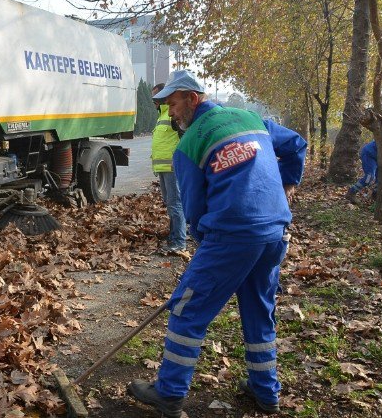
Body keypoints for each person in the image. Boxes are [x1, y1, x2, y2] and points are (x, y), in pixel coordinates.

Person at [127, 70, 307, 417]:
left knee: (186, 310)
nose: (171, 113)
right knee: (259, 309)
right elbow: (297, 144)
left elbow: (194, 212)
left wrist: (207, 248)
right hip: (275, 233)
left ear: (193, 99)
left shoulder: (189, 145)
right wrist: (287, 186)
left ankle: (169, 392)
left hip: (232, 236)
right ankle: (266, 391)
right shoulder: (253, 119)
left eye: (174, 104)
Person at [151, 83, 187, 256]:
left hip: (172, 167)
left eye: (156, 97)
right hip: (163, 167)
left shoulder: (173, 115)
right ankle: (174, 237)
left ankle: (179, 242)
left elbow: (183, 138)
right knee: (170, 203)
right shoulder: (162, 115)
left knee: (175, 204)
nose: (153, 101)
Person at [345, 136, 382, 204]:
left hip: (379, 158)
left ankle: (375, 196)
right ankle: (352, 192)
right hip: (369, 154)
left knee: (380, 177)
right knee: (369, 177)